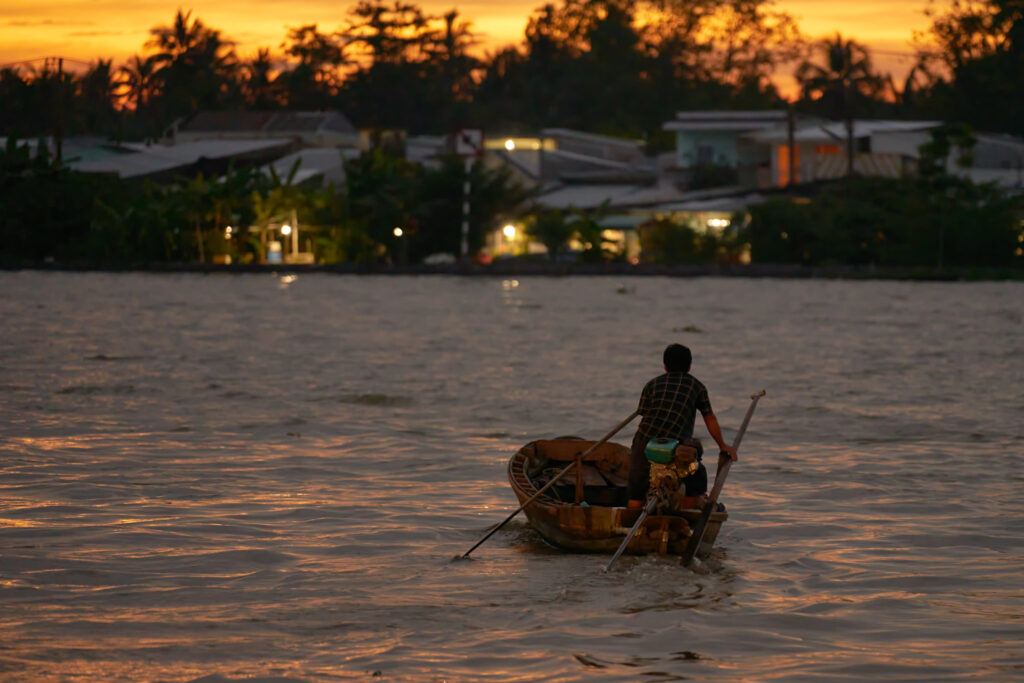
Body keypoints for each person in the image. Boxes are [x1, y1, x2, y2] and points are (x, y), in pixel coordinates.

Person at [627, 343, 737, 509]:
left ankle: (632, 515)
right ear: (689, 366)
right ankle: (687, 515)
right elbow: (709, 418)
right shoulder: (697, 386)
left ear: (665, 366)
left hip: (645, 441)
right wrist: (722, 445)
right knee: (696, 476)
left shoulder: (652, 384)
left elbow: (644, 412)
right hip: (676, 444)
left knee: (637, 483)